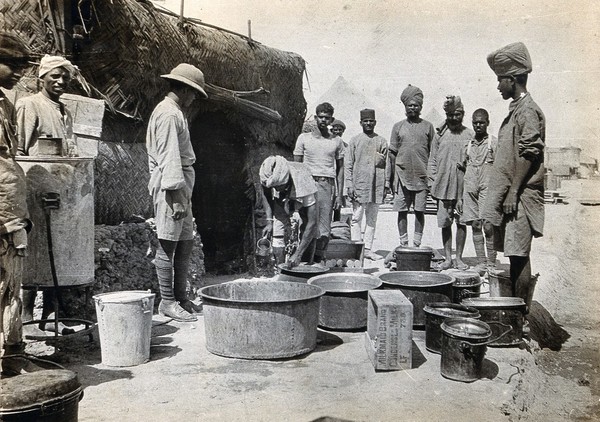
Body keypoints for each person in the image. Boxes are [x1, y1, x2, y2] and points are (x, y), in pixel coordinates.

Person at [16, 55, 78, 334]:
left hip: (58, 191)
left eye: (64, 76)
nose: (60, 81)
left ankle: (51, 316)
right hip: (35, 190)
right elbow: (20, 151)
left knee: (59, 250)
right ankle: (28, 318)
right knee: (36, 250)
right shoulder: (31, 105)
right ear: (41, 78)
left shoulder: (64, 110)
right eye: (54, 76)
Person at [482, 42, 545, 309]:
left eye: (500, 80)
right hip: (513, 195)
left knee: (519, 256)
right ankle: (517, 313)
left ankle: (520, 318)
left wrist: (513, 192)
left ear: (513, 79)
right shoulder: (517, 109)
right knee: (513, 254)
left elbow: (529, 155)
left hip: (519, 196)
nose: (498, 86)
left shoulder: (528, 110)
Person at [146, 63, 208, 322]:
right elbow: (169, 156)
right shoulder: (169, 115)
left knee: (185, 242)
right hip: (172, 184)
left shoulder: (175, 112)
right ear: (183, 89)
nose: (194, 98)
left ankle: (181, 297)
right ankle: (167, 301)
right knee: (168, 243)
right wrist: (175, 195)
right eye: (193, 93)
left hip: (181, 183)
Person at [0, 31, 39, 376]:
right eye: (10, 65)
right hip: (2, 218)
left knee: (12, 287)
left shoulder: (7, 104)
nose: (18, 73)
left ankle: (13, 357)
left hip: (12, 212)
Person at [293, 102, 344, 262]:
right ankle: (304, 260)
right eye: (320, 117)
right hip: (307, 185)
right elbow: (297, 166)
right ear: (315, 118)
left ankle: (318, 260)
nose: (323, 120)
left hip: (326, 185)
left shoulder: (336, 141)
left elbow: (340, 169)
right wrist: (297, 191)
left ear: (331, 120)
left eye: (327, 118)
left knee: (324, 228)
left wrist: (338, 194)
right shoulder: (304, 138)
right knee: (307, 224)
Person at [428, 95, 474, 271]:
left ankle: (459, 258)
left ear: (463, 114)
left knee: (462, 222)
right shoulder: (440, 136)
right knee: (445, 223)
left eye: (458, 114)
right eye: (451, 115)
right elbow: (432, 160)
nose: (454, 118)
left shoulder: (470, 135)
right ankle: (447, 258)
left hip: (463, 187)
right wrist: (433, 184)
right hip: (443, 186)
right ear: (446, 116)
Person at [386, 85, 435, 248]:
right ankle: (404, 243)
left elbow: (433, 153)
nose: (413, 108)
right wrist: (391, 179)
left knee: (420, 211)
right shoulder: (397, 127)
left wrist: (432, 178)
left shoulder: (428, 126)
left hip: (422, 177)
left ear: (421, 107)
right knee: (402, 211)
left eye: (416, 105)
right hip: (402, 176)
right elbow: (392, 155)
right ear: (405, 107)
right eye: (410, 105)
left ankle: (416, 244)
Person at [259, 155, 318, 267]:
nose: (275, 189)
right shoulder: (267, 174)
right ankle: (280, 269)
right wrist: (269, 221)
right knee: (277, 233)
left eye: (278, 187)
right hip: (282, 200)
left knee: (308, 231)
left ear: (286, 181)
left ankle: (303, 265)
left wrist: (298, 253)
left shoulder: (304, 181)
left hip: (301, 196)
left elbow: (312, 222)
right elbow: (266, 195)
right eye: (273, 187)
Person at [345, 109, 387, 260]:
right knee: (356, 218)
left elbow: (386, 165)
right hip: (359, 185)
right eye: (365, 121)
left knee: (372, 219)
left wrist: (385, 185)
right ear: (361, 123)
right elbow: (348, 164)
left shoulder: (381, 141)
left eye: (371, 121)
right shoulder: (355, 141)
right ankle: (357, 248)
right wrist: (349, 185)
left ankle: (368, 249)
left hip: (376, 186)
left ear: (375, 122)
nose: (368, 123)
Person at [459, 109, 498, 275]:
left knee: (488, 226)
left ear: (488, 122)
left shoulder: (493, 143)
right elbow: (461, 170)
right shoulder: (467, 145)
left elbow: (501, 169)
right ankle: (481, 263)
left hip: (487, 188)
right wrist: (460, 196)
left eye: (481, 122)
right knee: (475, 225)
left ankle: (491, 263)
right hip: (470, 188)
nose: (478, 125)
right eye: (475, 122)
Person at [331, 119, 347, 223]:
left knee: (338, 204)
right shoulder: (329, 143)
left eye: (339, 130)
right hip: (331, 174)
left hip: (341, 175)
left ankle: (336, 225)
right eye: (335, 129)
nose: (337, 132)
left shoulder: (346, 146)